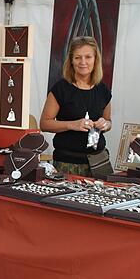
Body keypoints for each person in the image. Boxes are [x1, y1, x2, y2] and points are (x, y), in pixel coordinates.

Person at [39, 36, 113, 179]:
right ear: (71, 60)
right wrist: (72, 125)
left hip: (99, 163)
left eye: (88, 57)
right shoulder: (61, 89)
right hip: (67, 163)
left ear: (95, 59)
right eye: (78, 57)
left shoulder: (103, 90)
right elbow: (45, 123)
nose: (83, 62)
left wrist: (105, 124)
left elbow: (109, 121)